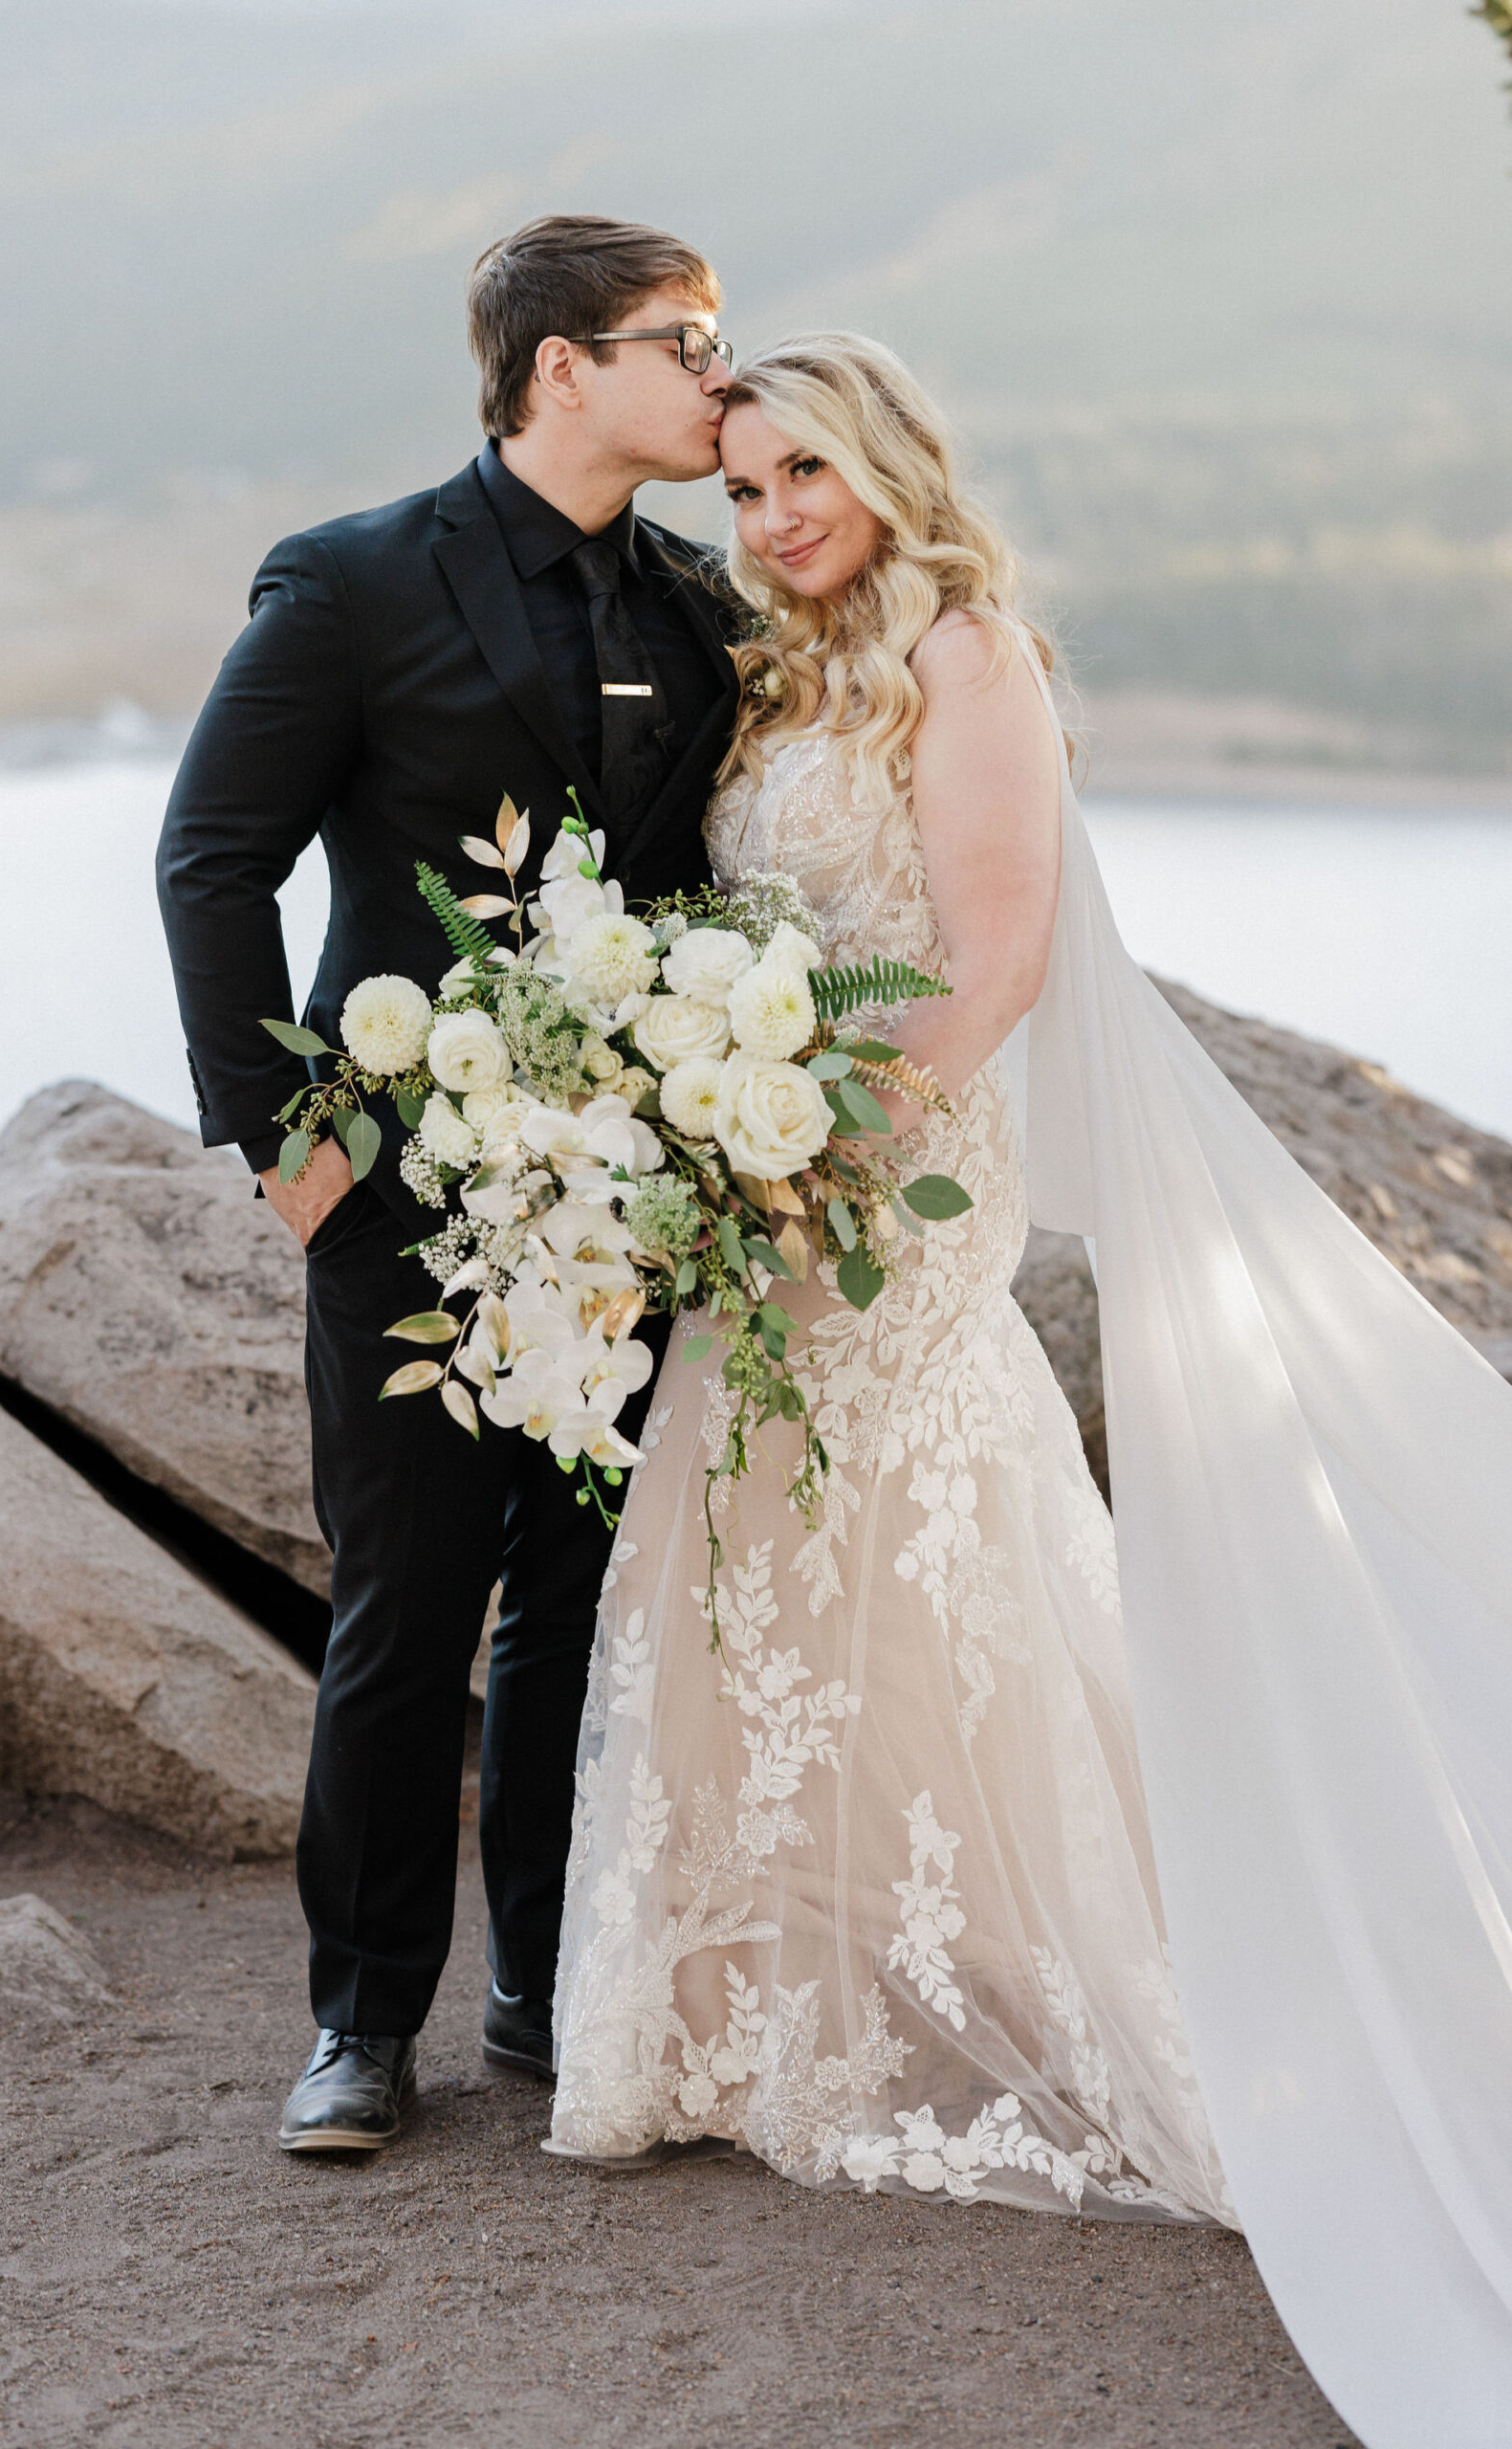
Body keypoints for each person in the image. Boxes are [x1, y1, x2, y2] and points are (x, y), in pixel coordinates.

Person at [548, 335, 1512, 2449]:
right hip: (762, 1174)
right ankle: (751, 2012)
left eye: (805, 470)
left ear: (888, 459)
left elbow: (986, 961)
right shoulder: (787, 667)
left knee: (928, 1524)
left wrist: (823, 1145)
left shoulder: (962, 653)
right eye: (744, 487)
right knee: (746, 1532)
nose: (776, 513)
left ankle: (1064, 1976)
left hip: (891, 1177)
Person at [156, 215, 737, 2152]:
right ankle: (358, 2021)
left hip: (631, 1198)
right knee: (402, 1609)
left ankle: (547, 1986)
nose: (717, 379)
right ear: (557, 365)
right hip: (401, 1197)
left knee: (578, 1609)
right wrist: (293, 1149)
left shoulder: (693, 608)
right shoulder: (344, 582)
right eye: (685, 341)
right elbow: (210, 864)